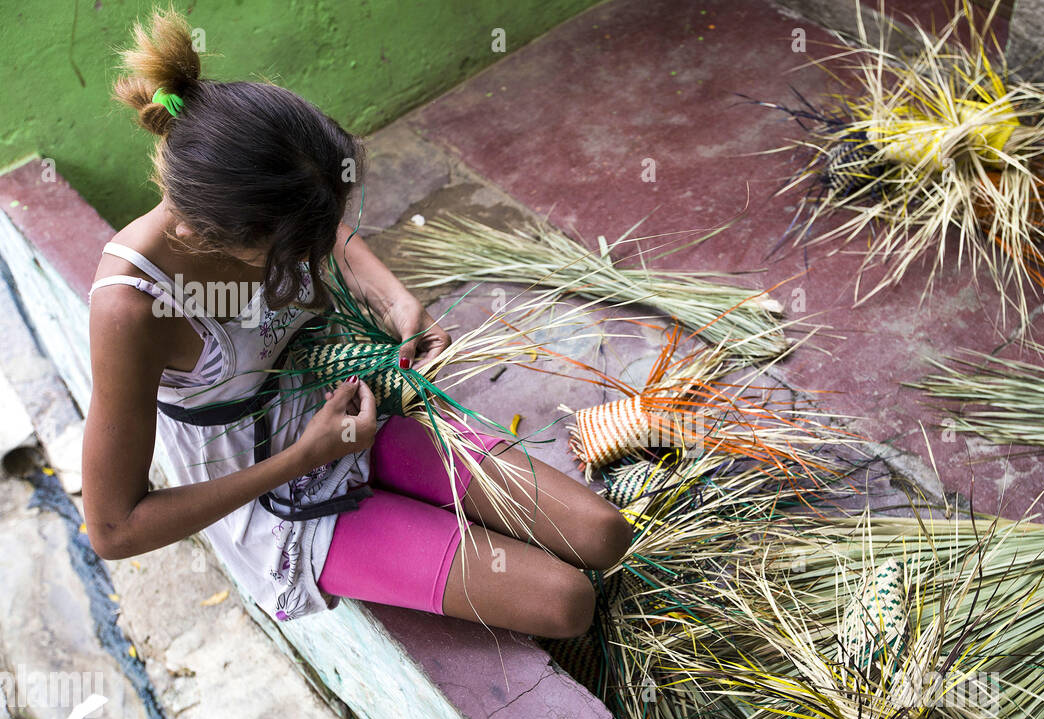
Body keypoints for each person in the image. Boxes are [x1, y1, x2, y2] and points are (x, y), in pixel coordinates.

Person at [82, 9, 632, 637]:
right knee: (565, 602)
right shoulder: (132, 310)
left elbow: (319, 222)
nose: (313, 260)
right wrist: (308, 455)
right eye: (294, 250)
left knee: (602, 533)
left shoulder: (257, 192)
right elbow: (114, 528)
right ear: (202, 234)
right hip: (275, 495)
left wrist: (393, 297)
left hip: (356, 415)